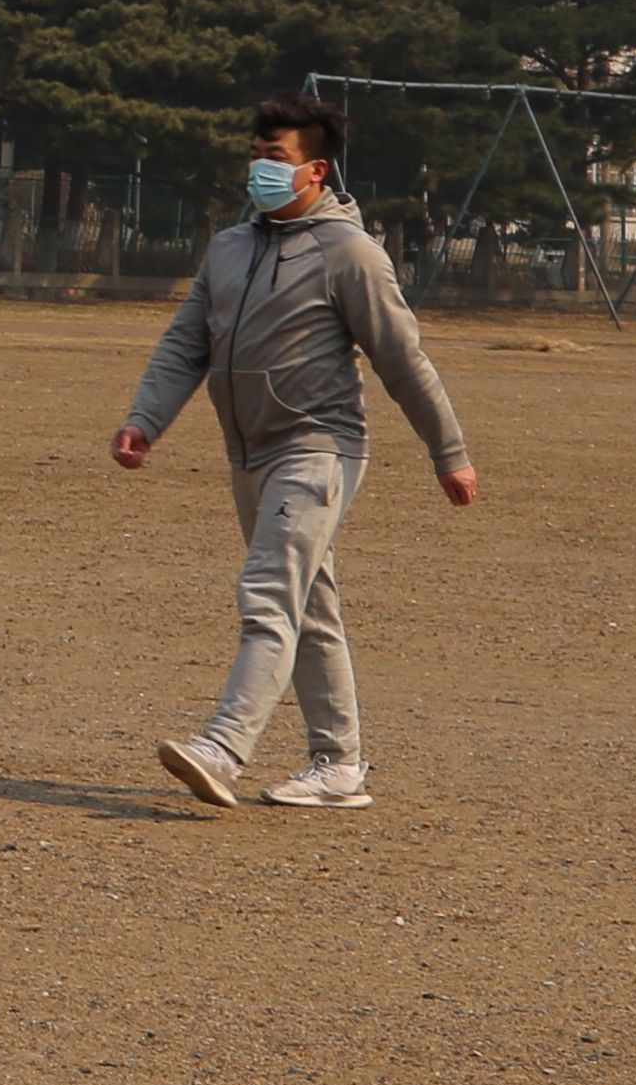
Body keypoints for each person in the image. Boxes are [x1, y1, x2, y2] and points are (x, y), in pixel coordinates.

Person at [120, 95, 476, 813]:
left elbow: (402, 358)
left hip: (319, 448)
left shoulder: (350, 253)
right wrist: (145, 419)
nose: (259, 167)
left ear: (316, 170)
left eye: (275, 157)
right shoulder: (229, 247)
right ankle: (339, 764)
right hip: (247, 452)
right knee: (309, 605)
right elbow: (186, 341)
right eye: (255, 154)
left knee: (268, 595)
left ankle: (223, 747)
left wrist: (449, 450)